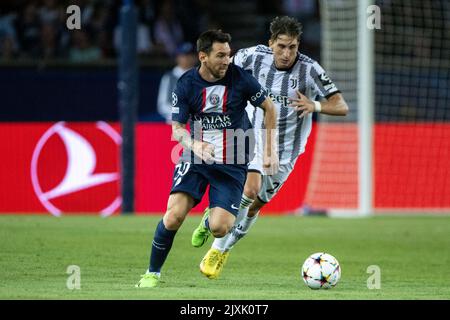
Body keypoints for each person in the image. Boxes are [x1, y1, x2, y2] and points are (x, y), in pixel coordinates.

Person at [194, 16, 349, 279]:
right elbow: (221, 70)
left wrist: (316, 106)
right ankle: (216, 247)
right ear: (271, 43)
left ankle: (222, 237)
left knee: (254, 206)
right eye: (281, 46)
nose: (287, 53)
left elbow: (341, 105)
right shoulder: (252, 56)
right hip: (252, 135)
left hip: (288, 149)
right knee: (250, 187)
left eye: (293, 47)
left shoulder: (310, 70)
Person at [136, 29, 279, 288]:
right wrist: (194, 144)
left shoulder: (241, 79)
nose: (227, 60)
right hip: (197, 156)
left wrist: (269, 151)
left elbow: (269, 107)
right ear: (203, 56)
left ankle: (209, 216)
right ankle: (152, 273)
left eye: (229, 54)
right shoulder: (187, 84)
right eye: (221, 55)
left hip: (234, 159)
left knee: (220, 229)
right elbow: (177, 129)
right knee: (174, 216)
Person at [157, 42, 197, 123]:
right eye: (184, 55)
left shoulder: (202, 76)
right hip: (174, 121)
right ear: (177, 57)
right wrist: (180, 113)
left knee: (197, 135)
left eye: (190, 55)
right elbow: (162, 104)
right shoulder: (169, 77)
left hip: (197, 123)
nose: (187, 58)